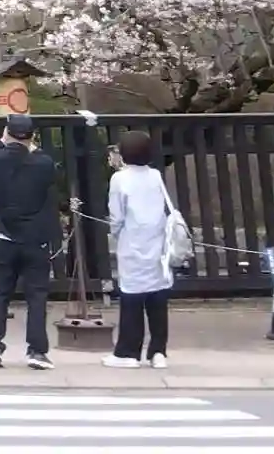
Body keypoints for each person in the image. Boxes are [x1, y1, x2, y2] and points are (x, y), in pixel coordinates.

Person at [0, 112, 61, 371]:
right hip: (35, 237)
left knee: (0, 291)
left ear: (6, 133)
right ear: (32, 136)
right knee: (37, 296)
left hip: (2, 234)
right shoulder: (44, 163)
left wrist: (5, 142)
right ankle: (36, 350)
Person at [104, 130, 174, 370]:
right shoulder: (155, 175)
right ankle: (158, 352)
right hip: (158, 241)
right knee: (157, 296)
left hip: (132, 241)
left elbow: (116, 216)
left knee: (132, 297)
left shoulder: (119, 179)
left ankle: (128, 352)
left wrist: (116, 234)